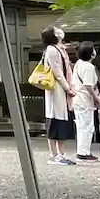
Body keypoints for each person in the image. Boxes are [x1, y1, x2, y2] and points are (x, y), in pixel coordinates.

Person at [40, 26, 75, 164]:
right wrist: (68, 88)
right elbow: (57, 72)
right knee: (55, 121)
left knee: (61, 122)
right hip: (56, 90)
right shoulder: (52, 50)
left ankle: (61, 154)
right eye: (56, 30)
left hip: (60, 91)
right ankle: (54, 155)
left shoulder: (59, 49)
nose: (59, 31)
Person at [71, 42, 100, 162]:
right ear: (91, 53)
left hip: (78, 99)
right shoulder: (89, 67)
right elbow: (88, 85)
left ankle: (83, 151)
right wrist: (97, 98)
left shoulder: (78, 64)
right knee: (87, 127)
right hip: (85, 101)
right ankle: (83, 153)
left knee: (81, 126)